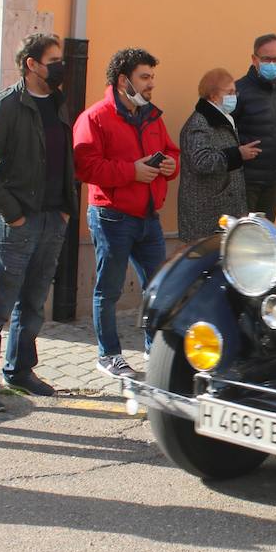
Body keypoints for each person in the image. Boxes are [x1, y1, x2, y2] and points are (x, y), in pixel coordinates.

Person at [0, 33, 77, 413]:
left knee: (32, 302)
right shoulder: (6, 107)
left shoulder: (59, 104)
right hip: (17, 224)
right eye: (53, 60)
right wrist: (13, 212)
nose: (60, 66)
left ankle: (20, 369)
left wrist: (63, 209)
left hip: (52, 219)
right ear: (31, 64)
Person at [73, 47, 180, 379]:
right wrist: (130, 172)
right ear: (123, 81)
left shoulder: (152, 117)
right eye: (144, 77)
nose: (150, 85)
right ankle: (109, 356)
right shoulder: (95, 117)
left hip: (149, 217)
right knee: (109, 290)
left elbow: (171, 151)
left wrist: (171, 165)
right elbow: (86, 166)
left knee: (159, 288)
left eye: (152, 78)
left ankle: (155, 350)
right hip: (112, 218)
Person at [177, 68, 261, 244]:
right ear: (214, 96)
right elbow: (201, 161)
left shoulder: (222, 118)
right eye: (229, 92)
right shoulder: (199, 124)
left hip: (223, 213)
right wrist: (238, 154)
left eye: (234, 91)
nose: (234, 96)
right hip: (206, 215)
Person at [232, 33, 276, 219]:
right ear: (254, 59)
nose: (272, 64)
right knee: (246, 235)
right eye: (267, 59)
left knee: (267, 235)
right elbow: (225, 131)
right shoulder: (238, 90)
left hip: (274, 178)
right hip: (247, 181)